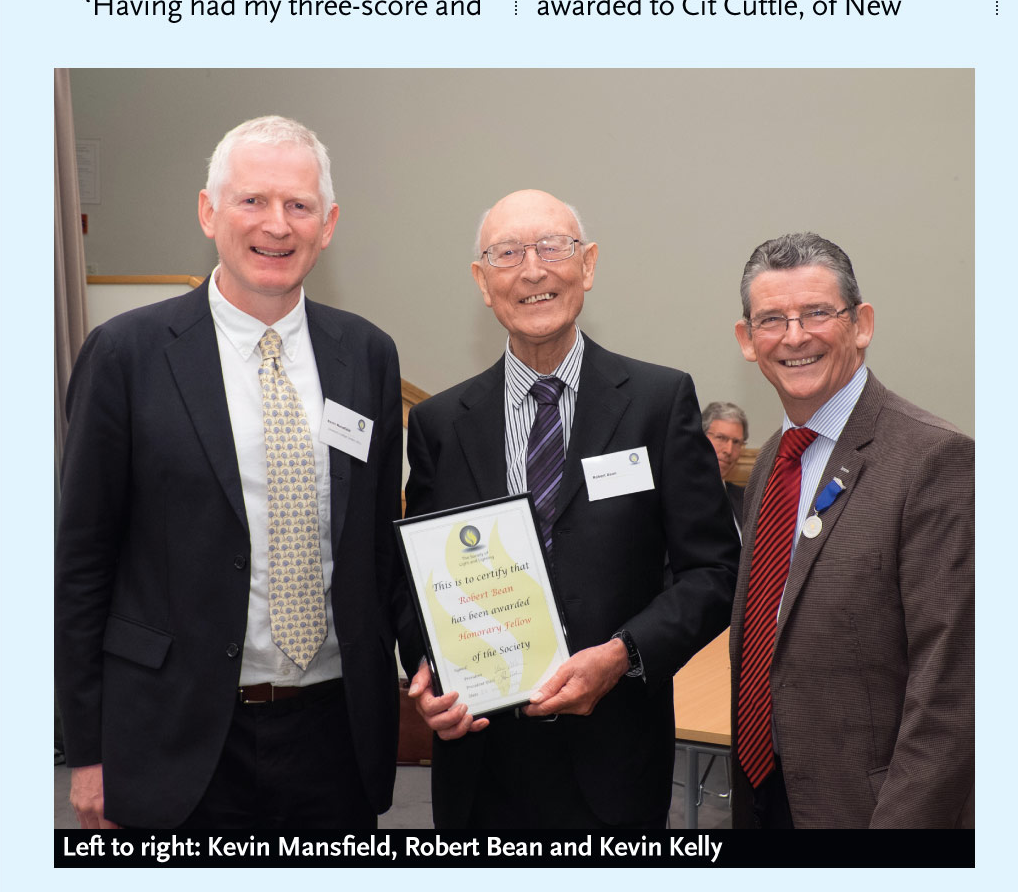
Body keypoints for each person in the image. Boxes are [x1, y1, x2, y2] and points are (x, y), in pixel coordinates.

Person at [55, 116, 403, 831]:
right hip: (173, 735)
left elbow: (380, 546)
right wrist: (86, 751)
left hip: (334, 734)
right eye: (252, 200)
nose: (277, 224)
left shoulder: (367, 355)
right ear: (209, 212)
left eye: (299, 205)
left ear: (328, 224)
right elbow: (80, 563)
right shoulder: (125, 354)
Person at [401, 189, 739, 831]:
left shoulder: (658, 401)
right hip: (481, 761)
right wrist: (429, 666)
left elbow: (715, 572)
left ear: (587, 265)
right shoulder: (441, 424)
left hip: (615, 756)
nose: (533, 271)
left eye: (553, 248)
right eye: (508, 254)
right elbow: (414, 582)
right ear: (482, 282)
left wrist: (621, 655)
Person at [730, 231, 974, 829]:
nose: (795, 337)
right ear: (747, 340)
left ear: (861, 324)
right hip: (768, 795)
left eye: (818, 313)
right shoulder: (774, 460)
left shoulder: (934, 459)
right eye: (772, 320)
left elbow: (954, 691)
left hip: (870, 814)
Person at [701, 400, 749, 531]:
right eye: (721, 438)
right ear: (700, 438)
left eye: (736, 442)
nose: (729, 450)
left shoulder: (747, 500)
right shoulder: (676, 494)